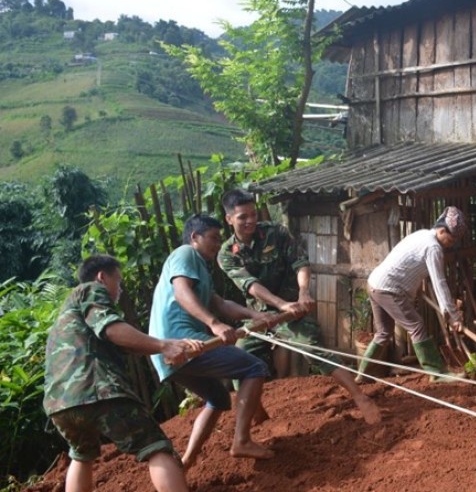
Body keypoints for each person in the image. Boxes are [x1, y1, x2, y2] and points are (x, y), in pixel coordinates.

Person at [218, 189, 380, 424]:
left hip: (294, 312)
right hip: (259, 315)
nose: (250, 220)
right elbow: (251, 286)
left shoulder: (276, 233)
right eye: (243, 217)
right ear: (229, 219)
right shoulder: (226, 253)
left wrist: (303, 292)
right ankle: (258, 410)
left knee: (314, 349)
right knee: (240, 357)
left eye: (252, 214)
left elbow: (300, 263)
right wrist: (280, 305)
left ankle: (360, 398)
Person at [43, 254, 203, 492]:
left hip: (61, 405)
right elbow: (111, 329)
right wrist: (164, 345)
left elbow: (123, 343)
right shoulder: (91, 290)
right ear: (101, 277)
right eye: (117, 281)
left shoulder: (66, 316)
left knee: (82, 454)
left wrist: (167, 347)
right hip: (96, 391)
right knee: (155, 446)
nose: (119, 289)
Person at [149, 214, 276, 470]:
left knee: (218, 398)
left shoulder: (200, 269)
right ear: (194, 237)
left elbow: (220, 304)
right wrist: (214, 324)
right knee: (255, 368)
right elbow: (181, 293)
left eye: (220, 239)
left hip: (171, 353)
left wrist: (256, 315)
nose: (218, 244)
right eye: (214, 238)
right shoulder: (185, 254)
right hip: (181, 342)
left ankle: (186, 462)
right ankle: (241, 440)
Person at [355, 206, 468, 382]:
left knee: (383, 333)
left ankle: (363, 375)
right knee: (417, 326)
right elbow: (439, 283)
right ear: (441, 230)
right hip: (389, 290)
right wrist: (453, 316)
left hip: (375, 283)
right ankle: (438, 373)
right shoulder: (433, 248)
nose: (451, 244)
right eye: (451, 239)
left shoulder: (422, 234)